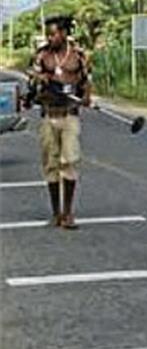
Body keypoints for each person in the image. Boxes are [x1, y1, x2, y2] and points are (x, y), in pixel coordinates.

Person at [29, 15, 90, 228]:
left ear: (64, 34)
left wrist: (86, 97)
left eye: (53, 33)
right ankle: (55, 213)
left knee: (70, 161)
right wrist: (41, 80)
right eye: (48, 34)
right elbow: (33, 77)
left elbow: (86, 81)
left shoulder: (78, 56)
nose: (50, 37)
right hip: (49, 115)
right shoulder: (42, 55)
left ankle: (68, 212)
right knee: (51, 163)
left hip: (69, 114)